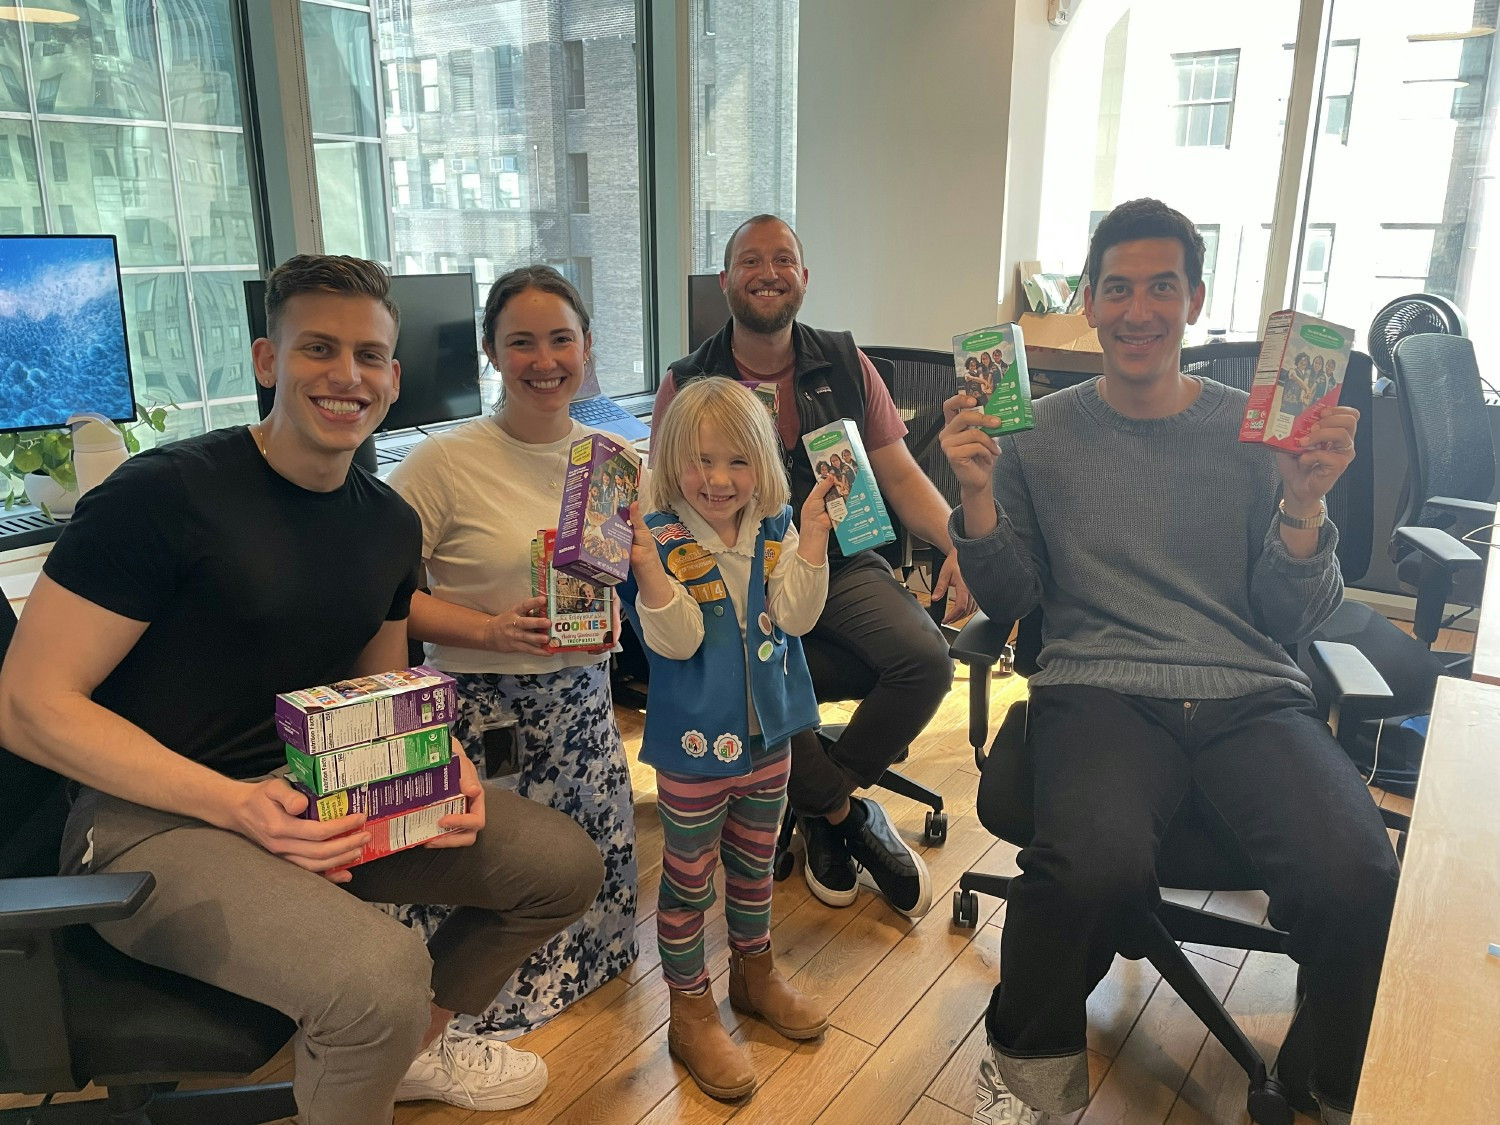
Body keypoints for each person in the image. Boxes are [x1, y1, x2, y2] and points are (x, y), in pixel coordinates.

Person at [0, 255, 606, 1124]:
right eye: (318, 347)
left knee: (559, 867)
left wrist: (441, 765)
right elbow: (27, 704)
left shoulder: (387, 524)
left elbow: (381, 688)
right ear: (266, 360)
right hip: (152, 824)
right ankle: (376, 1041)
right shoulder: (162, 496)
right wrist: (238, 804)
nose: (346, 375)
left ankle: (403, 1056)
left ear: (394, 378)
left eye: (369, 355)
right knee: (378, 975)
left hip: (321, 793)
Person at [941, 198, 1399, 1125]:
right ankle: (1028, 1078)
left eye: (1161, 287)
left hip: (1249, 693)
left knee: (1360, 873)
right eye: (1118, 289)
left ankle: (1331, 1081)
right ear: (1092, 304)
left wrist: (1304, 505)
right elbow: (1012, 599)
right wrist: (979, 498)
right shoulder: (1034, 432)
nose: (1138, 309)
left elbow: (1292, 612)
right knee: (1086, 870)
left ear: (1194, 301)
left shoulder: (1261, 431)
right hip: (1100, 689)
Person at [654, 214, 973, 921]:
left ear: (804, 276)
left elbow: (898, 472)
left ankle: (830, 801)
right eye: (750, 260)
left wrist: (957, 542)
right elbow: (661, 505)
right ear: (725, 280)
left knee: (926, 659)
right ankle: (843, 819)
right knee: (753, 673)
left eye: (784, 259)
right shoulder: (687, 382)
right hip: (735, 583)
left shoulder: (846, 362)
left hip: (840, 560)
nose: (768, 272)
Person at [387, 264, 638, 1037]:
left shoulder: (613, 460)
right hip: (476, 712)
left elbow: (623, 575)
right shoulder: (441, 464)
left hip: (582, 707)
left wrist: (613, 624)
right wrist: (489, 629)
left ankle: (582, 981)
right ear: (492, 353)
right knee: (490, 868)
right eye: (520, 341)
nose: (544, 359)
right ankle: (455, 1017)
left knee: (583, 866)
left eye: (561, 338)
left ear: (587, 345)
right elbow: (385, 598)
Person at [621, 377, 836, 1100]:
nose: (718, 480)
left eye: (738, 462)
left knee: (753, 867)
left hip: (768, 740)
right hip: (693, 751)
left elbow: (798, 618)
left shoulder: (774, 529)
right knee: (687, 881)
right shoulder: (659, 537)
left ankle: (756, 972)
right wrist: (648, 569)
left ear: (762, 466)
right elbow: (675, 643)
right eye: (701, 461)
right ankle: (689, 1008)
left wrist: (813, 533)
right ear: (674, 459)